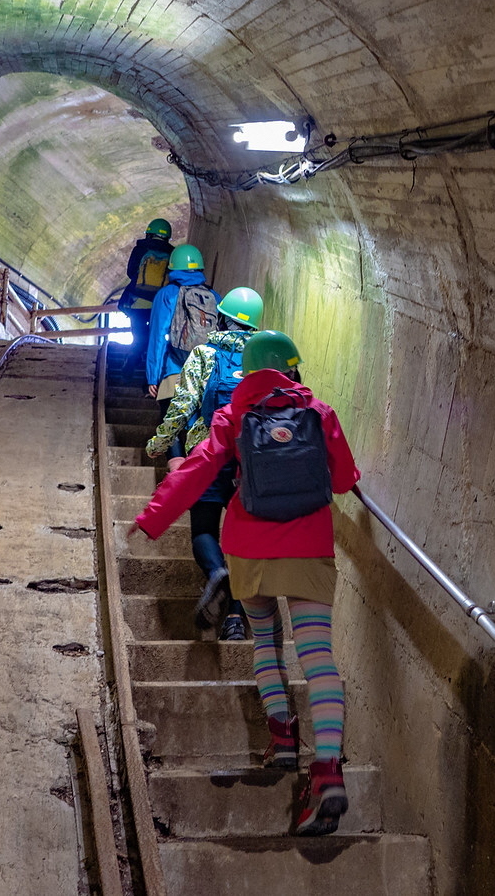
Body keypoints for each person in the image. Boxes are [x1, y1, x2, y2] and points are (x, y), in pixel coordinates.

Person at [131, 331, 360, 837]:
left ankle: (281, 739)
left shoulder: (232, 416)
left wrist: (153, 516)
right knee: (317, 654)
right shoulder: (319, 413)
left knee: (265, 642)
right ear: (291, 369)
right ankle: (325, 770)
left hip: (249, 547)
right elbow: (343, 480)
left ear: (250, 370)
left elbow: (195, 471)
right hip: (309, 544)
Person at [144, 286, 264, 641]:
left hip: (209, 452)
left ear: (221, 317)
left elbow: (182, 406)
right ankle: (235, 622)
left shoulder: (204, 353)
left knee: (203, 531)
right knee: (243, 544)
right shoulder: (263, 358)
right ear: (255, 326)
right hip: (251, 461)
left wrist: (159, 444)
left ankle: (215, 573)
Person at [144, 244, 218, 419]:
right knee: (199, 426)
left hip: (175, 369)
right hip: (206, 372)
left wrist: (153, 378)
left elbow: (158, 337)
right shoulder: (213, 296)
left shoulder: (167, 294)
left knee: (171, 428)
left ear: (172, 266)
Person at [118, 219, 174, 381]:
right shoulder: (172, 254)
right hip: (158, 306)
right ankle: (150, 377)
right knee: (154, 339)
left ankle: (128, 368)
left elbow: (130, 273)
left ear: (149, 233)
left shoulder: (140, 249)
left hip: (137, 303)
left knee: (139, 337)